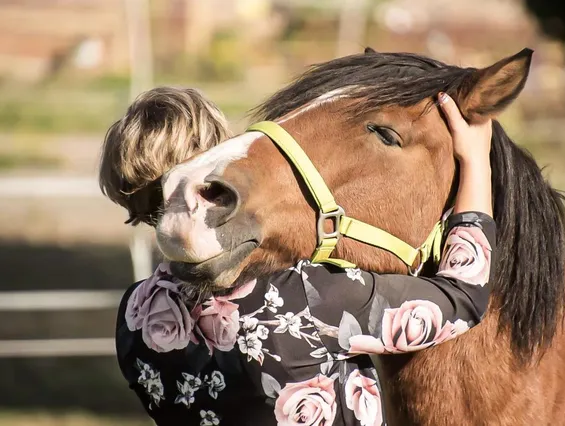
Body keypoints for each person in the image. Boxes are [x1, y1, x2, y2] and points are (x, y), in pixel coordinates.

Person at [100, 88, 495, 426]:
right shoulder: (303, 296)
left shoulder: (133, 315)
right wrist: (476, 160)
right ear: (213, 165)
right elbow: (464, 296)